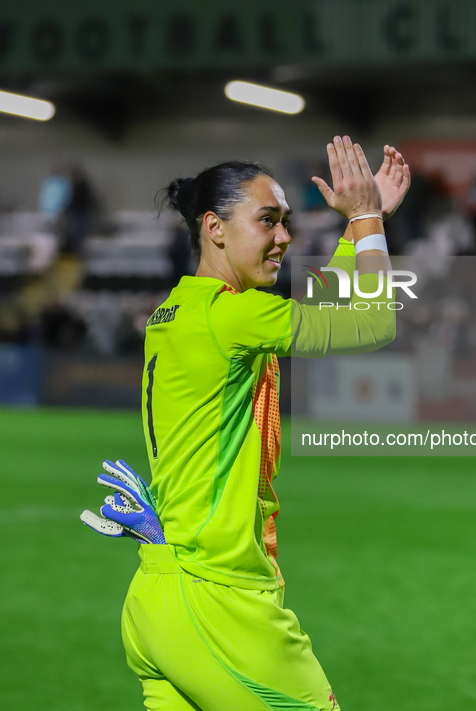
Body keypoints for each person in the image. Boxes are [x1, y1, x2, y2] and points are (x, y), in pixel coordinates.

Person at [86, 137, 410, 710]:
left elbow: (324, 312)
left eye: (285, 222)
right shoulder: (230, 315)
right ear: (214, 228)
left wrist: (365, 225)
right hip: (219, 602)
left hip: (160, 593)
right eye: (267, 221)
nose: (284, 237)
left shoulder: (190, 309)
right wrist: (363, 218)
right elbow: (375, 322)